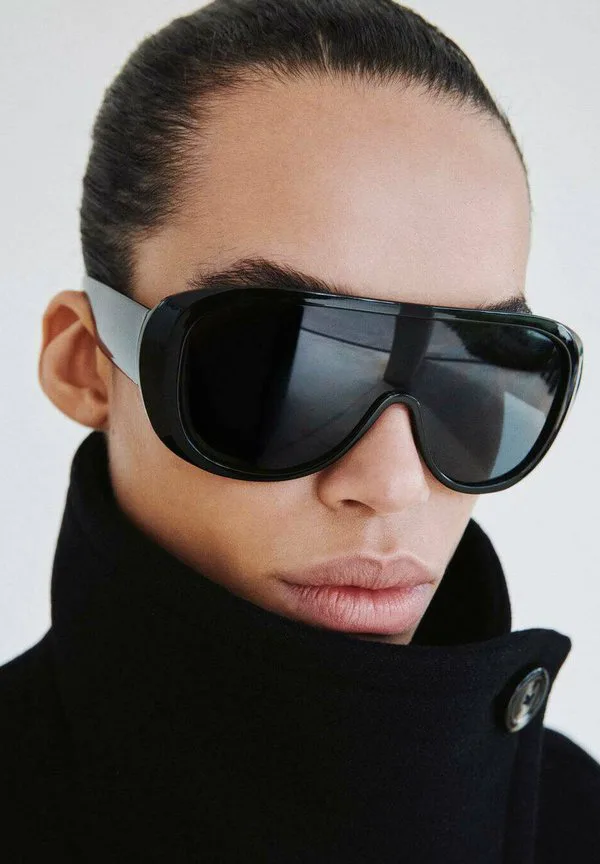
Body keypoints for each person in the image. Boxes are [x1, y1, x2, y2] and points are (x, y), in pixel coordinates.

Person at [1, 0, 599, 860]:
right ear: (87, 365)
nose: (392, 484)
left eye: (477, 372)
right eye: (281, 367)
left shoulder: (580, 818)